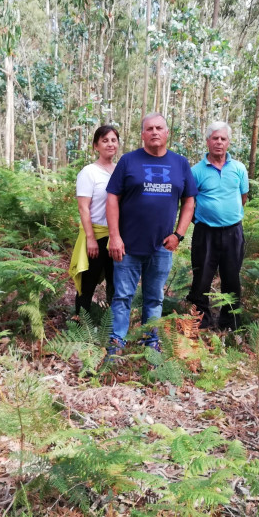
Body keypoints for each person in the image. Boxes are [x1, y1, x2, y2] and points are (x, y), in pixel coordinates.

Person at [105, 112, 198, 356]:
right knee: (122, 296)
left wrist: (179, 234)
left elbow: (190, 200)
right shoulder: (128, 161)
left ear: (167, 133)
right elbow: (112, 198)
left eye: (159, 128)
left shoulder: (180, 163)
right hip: (127, 244)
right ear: (143, 134)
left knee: (154, 297)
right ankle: (117, 341)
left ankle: (150, 340)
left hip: (161, 246)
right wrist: (114, 236)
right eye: (149, 129)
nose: (154, 132)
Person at [186, 121, 249, 330]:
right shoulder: (195, 171)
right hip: (205, 233)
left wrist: (227, 215)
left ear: (229, 142)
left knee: (231, 277)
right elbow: (189, 202)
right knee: (201, 277)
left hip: (233, 232)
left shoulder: (239, 168)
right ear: (207, 142)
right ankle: (200, 321)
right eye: (215, 138)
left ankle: (229, 323)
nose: (219, 142)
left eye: (223, 139)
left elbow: (243, 197)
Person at [69, 125, 119, 315]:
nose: (110, 144)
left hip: (116, 236)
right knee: (88, 282)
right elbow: (83, 208)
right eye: (105, 140)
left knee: (116, 282)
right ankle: (80, 323)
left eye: (113, 140)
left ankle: (111, 325)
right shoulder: (89, 172)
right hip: (96, 235)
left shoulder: (120, 170)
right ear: (95, 146)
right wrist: (90, 238)